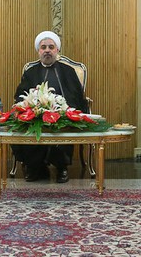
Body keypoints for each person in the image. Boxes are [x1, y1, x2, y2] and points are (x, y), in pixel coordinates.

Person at [12, 31, 89, 183]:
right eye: (43, 47)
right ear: (38, 51)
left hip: (62, 114)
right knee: (25, 125)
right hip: (35, 114)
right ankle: (35, 167)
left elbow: (77, 96)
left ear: (57, 50)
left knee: (63, 125)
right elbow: (21, 95)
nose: (47, 50)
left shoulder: (68, 71)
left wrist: (65, 109)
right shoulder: (30, 72)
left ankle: (62, 168)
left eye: (51, 47)